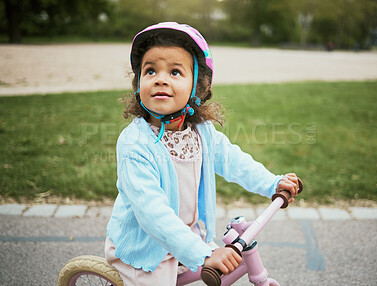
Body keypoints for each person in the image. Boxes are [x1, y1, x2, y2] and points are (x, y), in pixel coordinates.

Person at [105, 22, 301, 285]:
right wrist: (204, 254)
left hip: (190, 239)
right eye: (150, 70)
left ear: (196, 87)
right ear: (139, 81)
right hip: (148, 250)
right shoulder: (135, 145)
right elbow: (152, 214)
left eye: (175, 72)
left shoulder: (201, 132)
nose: (160, 78)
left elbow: (234, 161)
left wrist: (272, 183)